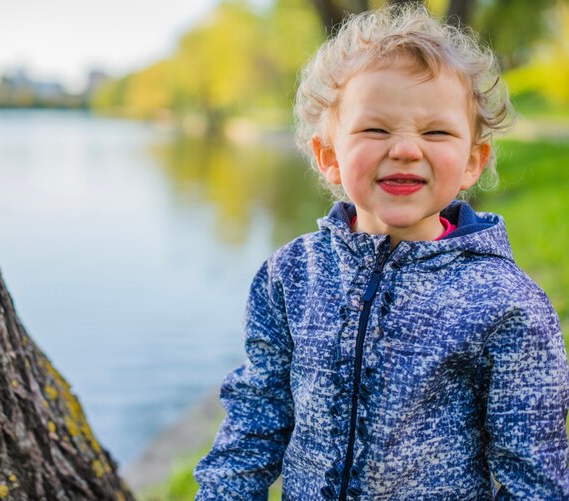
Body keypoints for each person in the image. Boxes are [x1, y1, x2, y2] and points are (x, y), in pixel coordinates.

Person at [194, 4, 569, 499]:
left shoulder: (506, 304)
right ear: (329, 157)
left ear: (473, 162)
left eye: (436, 132)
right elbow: (253, 423)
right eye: (376, 130)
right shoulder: (290, 275)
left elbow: (535, 477)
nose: (407, 149)